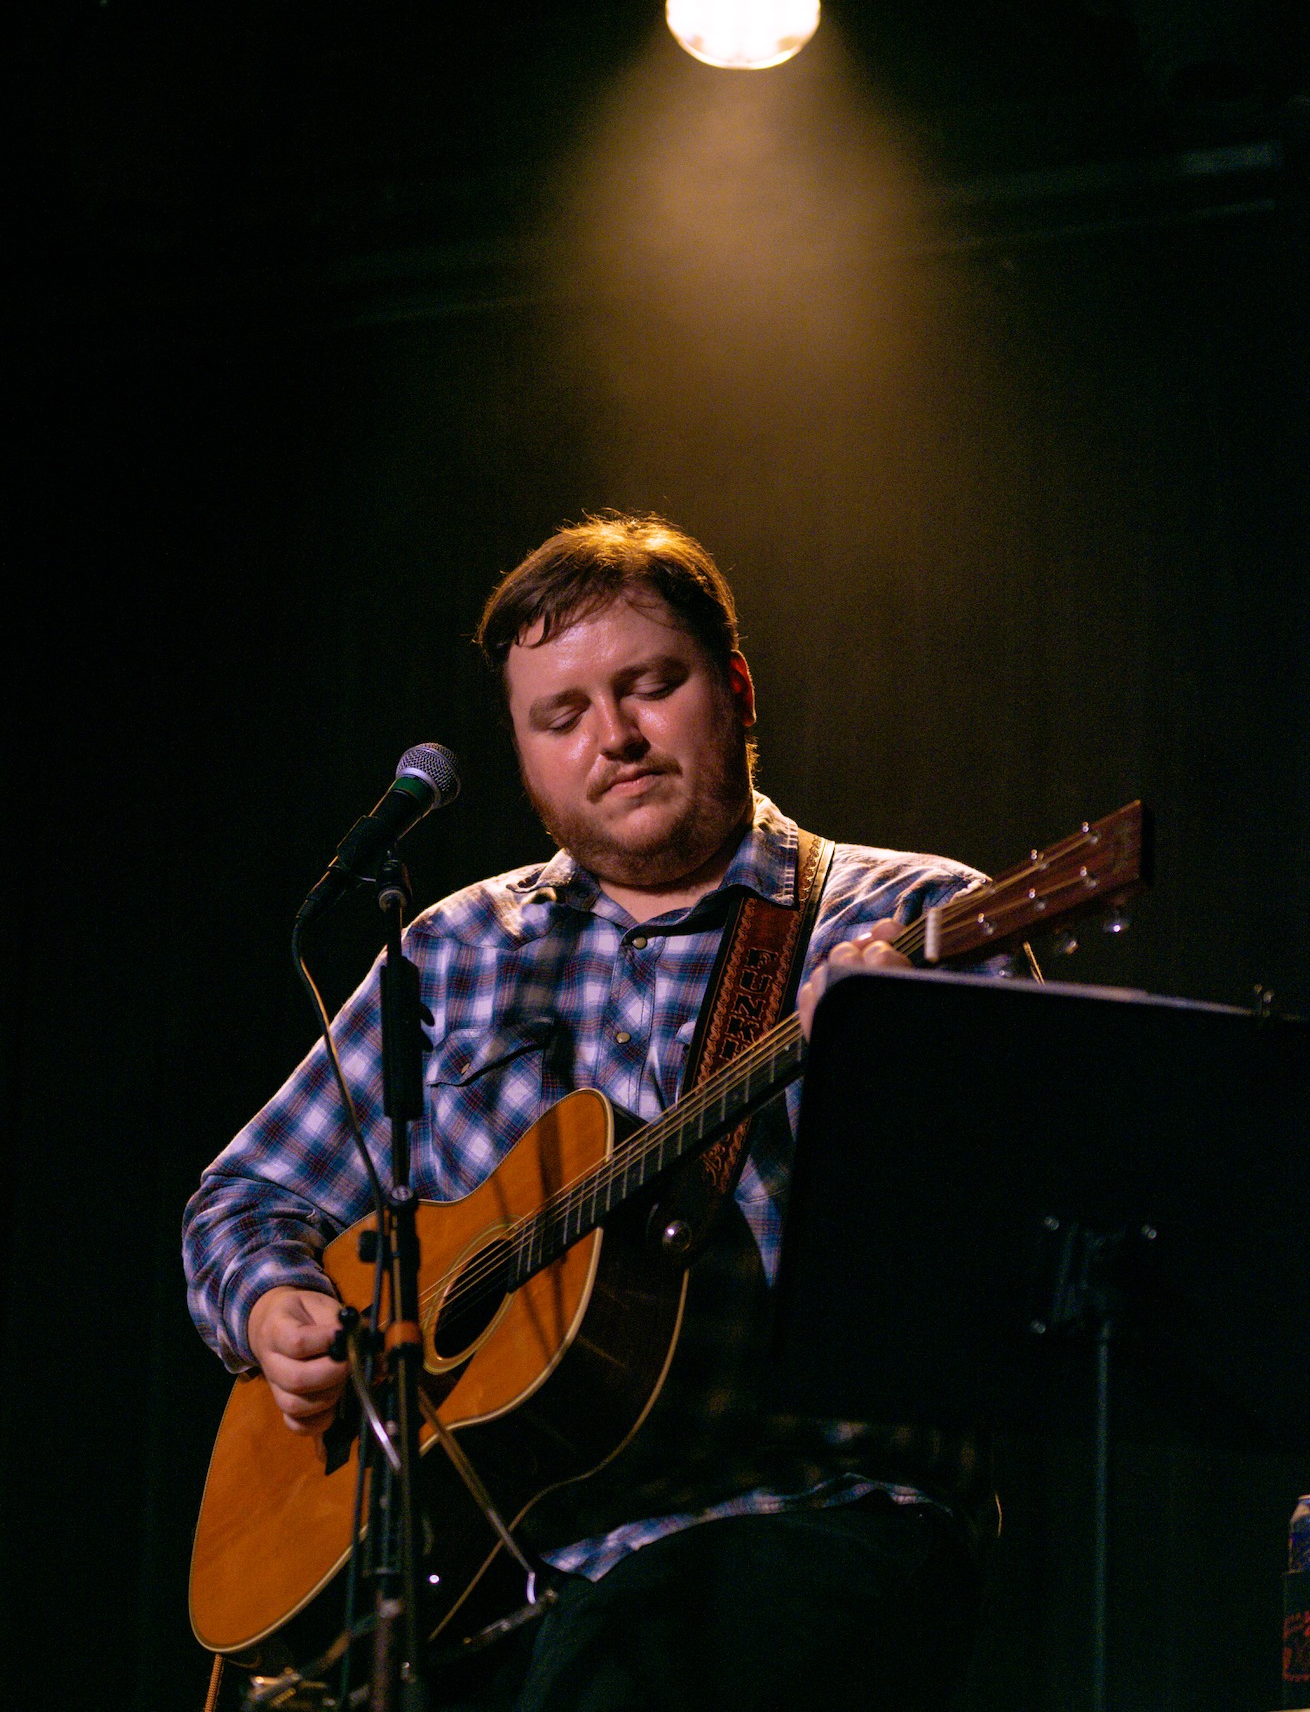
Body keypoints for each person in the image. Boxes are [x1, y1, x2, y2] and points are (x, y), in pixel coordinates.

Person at [184, 515, 995, 1711]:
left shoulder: (905, 920)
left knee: (619, 1670)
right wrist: (268, 1303)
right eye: (559, 716)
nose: (612, 737)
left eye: (649, 686)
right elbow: (245, 1196)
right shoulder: (451, 951)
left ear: (735, 691)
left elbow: (1013, 1255)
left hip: (803, 1517)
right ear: (522, 755)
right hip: (488, 1568)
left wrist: (893, 1063)